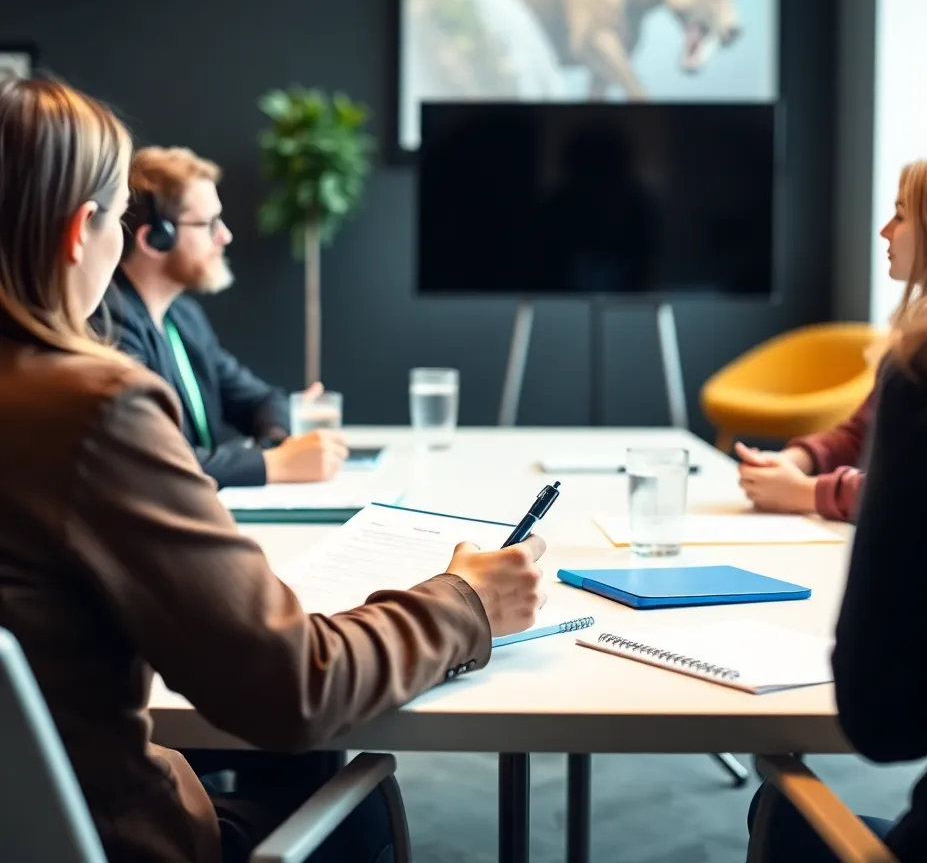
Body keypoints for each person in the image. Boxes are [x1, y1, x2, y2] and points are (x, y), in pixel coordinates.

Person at [0, 75, 547, 862]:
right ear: (82, 231)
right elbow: (295, 688)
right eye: (120, 216)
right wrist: (467, 603)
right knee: (352, 803)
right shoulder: (93, 408)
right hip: (105, 839)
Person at [747, 25, 927, 862]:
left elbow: (885, 718)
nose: (883, 230)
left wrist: (815, 493)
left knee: (779, 809)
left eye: (899, 213)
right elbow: (854, 434)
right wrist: (803, 460)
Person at [734, 152, 927, 520]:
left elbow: (918, 485)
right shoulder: (922, 337)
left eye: (901, 215)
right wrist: (792, 462)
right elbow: (864, 431)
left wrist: (807, 494)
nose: (885, 230)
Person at [98, 144, 345, 489]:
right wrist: (273, 464)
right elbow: (152, 459)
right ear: (155, 239)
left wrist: (278, 439)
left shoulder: (184, 316)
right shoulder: (110, 325)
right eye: (208, 224)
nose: (224, 235)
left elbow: (261, 399)